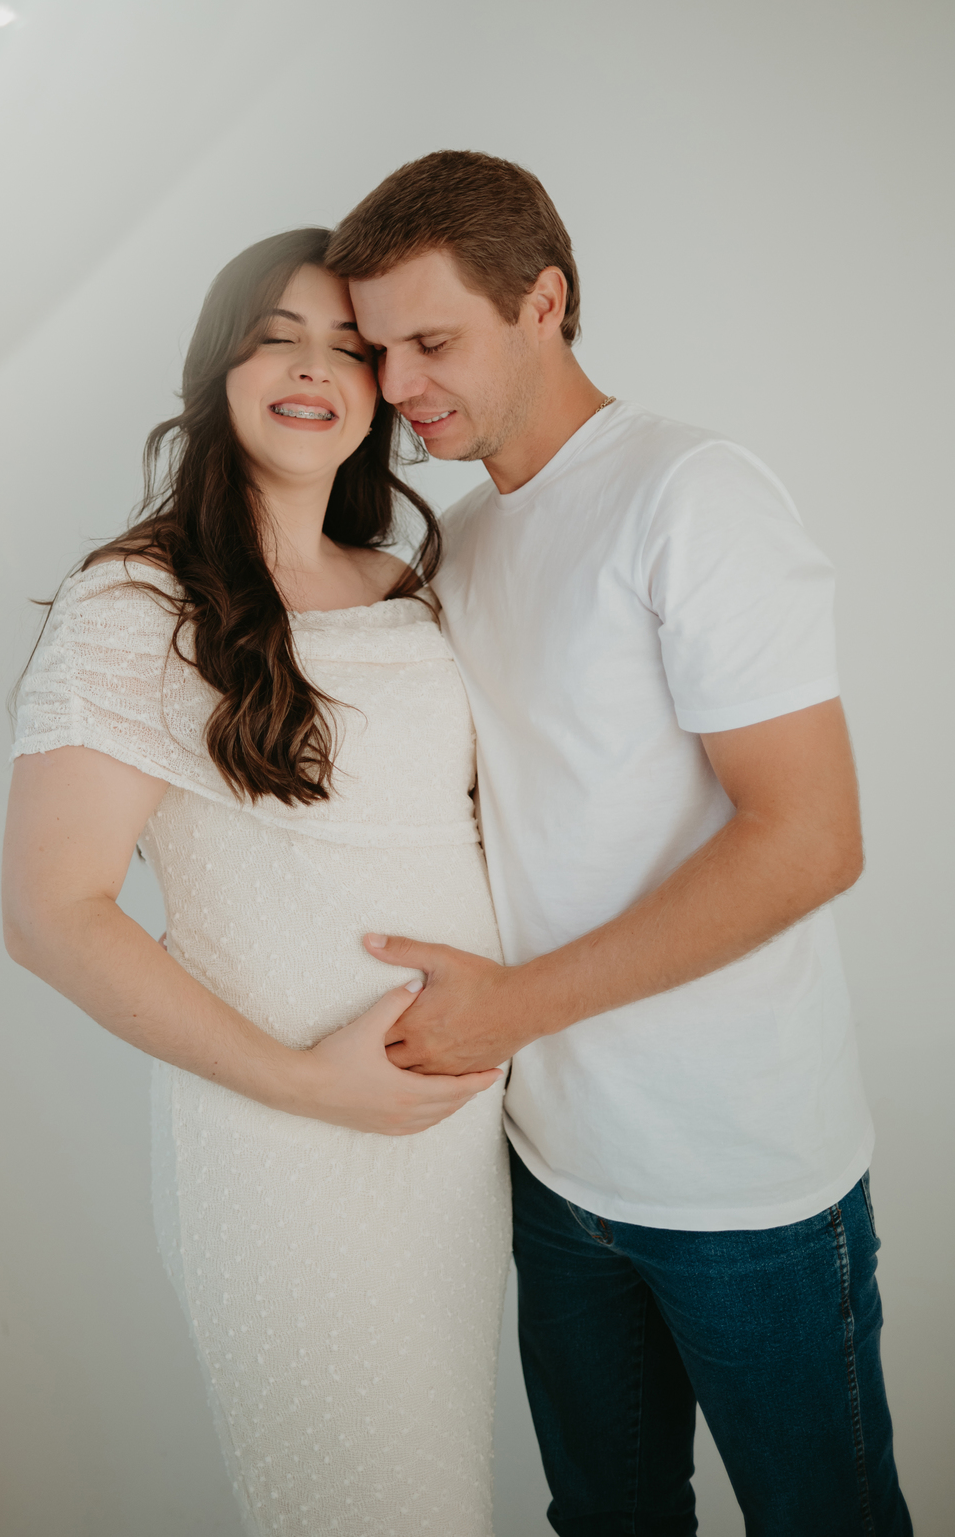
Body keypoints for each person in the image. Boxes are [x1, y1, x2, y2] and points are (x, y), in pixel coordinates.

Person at [327, 152, 912, 1537]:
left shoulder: (691, 494)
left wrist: (508, 1011)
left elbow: (811, 840)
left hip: (743, 1179)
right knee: (604, 1520)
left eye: (432, 342)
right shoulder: (464, 541)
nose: (397, 387)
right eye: (379, 350)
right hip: (553, 1163)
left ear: (544, 303)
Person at [1, 228, 511, 1537]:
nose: (313, 370)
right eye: (277, 338)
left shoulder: (407, 588)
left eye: (349, 347)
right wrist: (306, 1082)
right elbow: (52, 915)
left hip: (450, 1151)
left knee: (443, 1495)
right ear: (217, 368)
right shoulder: (137, 601)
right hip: (282, 1141)